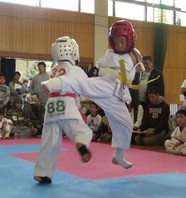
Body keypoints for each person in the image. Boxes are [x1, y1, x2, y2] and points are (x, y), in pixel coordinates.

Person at [42, 20, 144, 170]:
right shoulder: (110, 55)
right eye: (115, 42)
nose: (119, 45)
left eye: (122, 41)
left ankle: (119, 156)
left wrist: (138, 67)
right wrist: (107, 72)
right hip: (105, 85)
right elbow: (94, 71)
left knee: (126, 125)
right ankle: (56, 83)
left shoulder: (136, 54)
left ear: (131, 39)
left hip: (117, 95)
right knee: (83, 83)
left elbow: (137, 66)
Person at [34, 36, 92, 184]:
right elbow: (84, 87)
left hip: (51, 105)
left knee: (49, 141)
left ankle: (42, 173)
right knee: (83, 132)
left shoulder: (53, 70)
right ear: (73, 51)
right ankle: (81, 144)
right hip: (67, 103)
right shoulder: (75, 69)